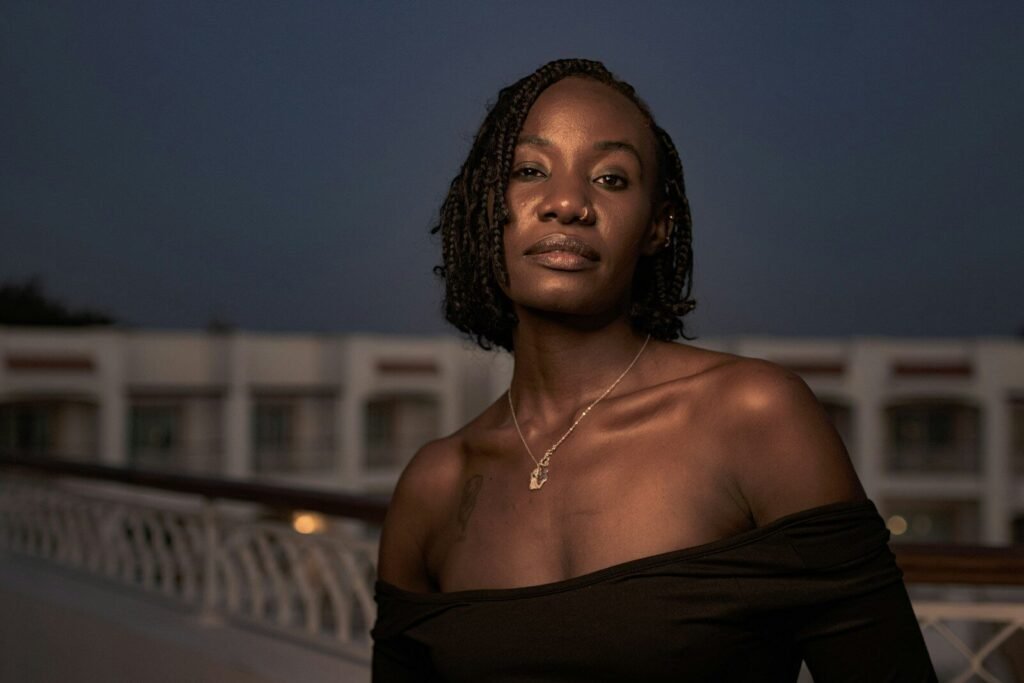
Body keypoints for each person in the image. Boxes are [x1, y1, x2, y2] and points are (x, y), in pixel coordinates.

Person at [372, 58, 937, 682]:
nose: (566, 203)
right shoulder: (433, 487)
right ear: (486, 207)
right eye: (529, 171)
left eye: (611, 179)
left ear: (657, 227)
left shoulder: (754, 415)